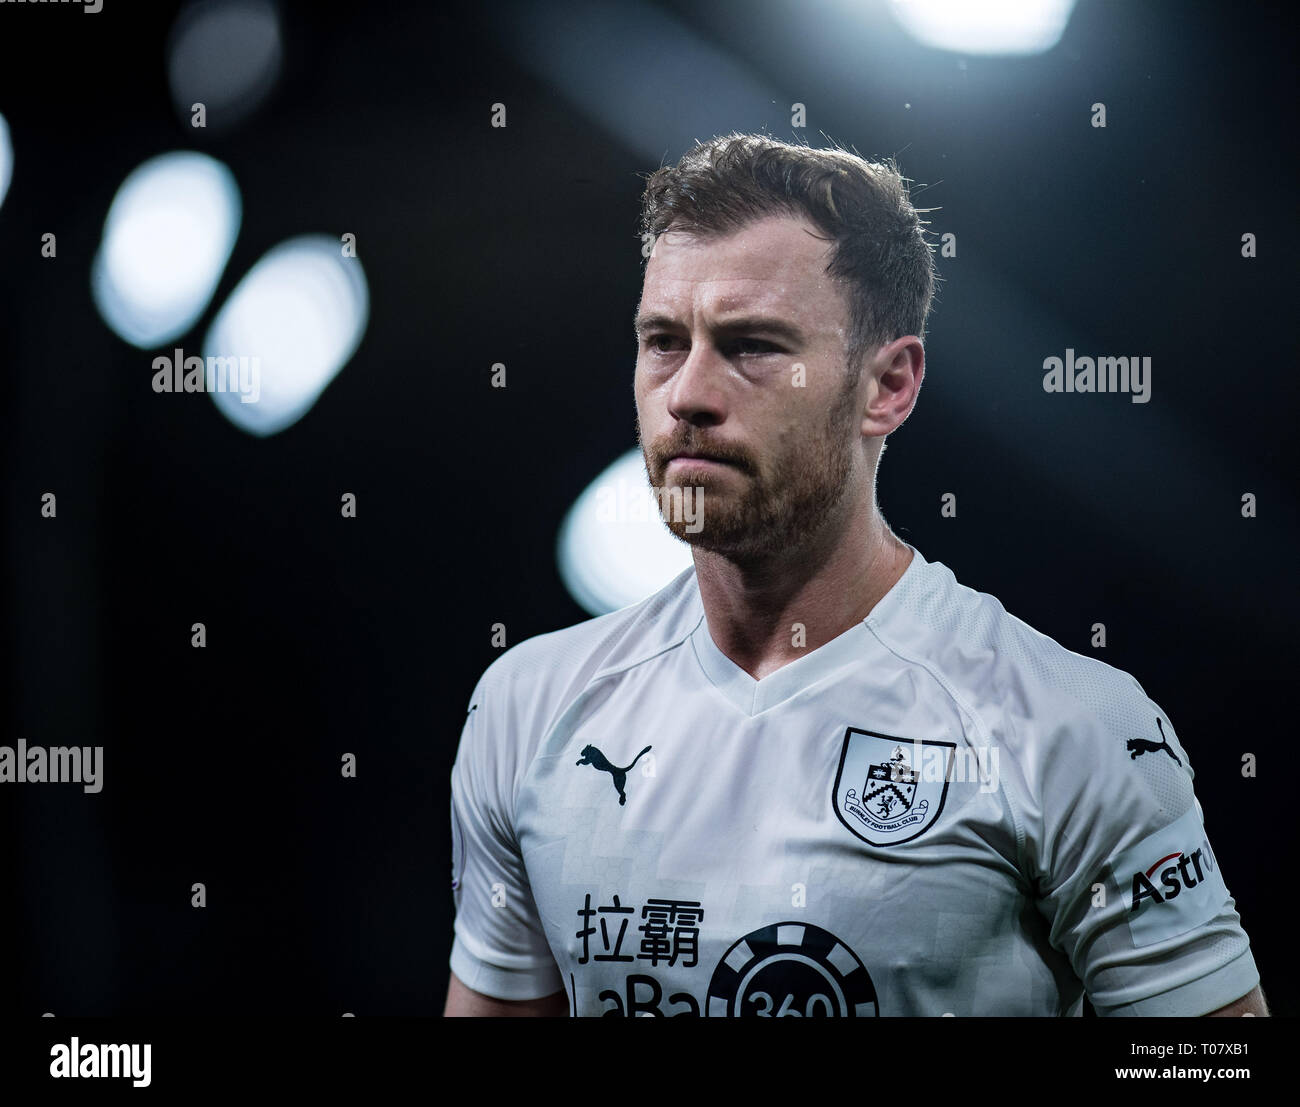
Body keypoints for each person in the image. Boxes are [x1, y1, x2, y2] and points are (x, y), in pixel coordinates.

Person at [443, 133, 1266, 1017]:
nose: (688, 392)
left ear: (889, 386)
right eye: (662, 341)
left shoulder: (1066, 727)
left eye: (752, 344)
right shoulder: (529, 706)